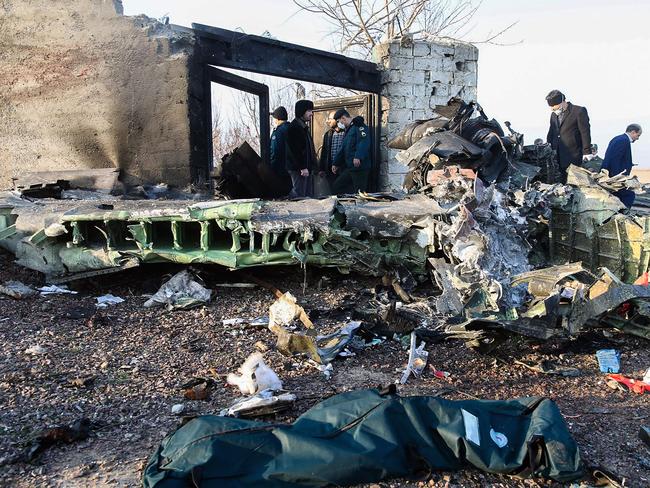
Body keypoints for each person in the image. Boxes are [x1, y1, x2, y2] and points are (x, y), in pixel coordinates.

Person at [545, 90, 592, 182]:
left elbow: (585, 132)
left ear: (562, 102)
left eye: (555, 107)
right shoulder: (553, 115)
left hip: (574, 155)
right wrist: (548, 147)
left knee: (574, 182)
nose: (552, 110)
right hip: (557, 156)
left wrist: (587, 152)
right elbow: (551, 132)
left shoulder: (578, 111)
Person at [331, 109, 372, 194]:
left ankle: (360, 206)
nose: (339, 124)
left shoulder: (358, 125)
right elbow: (343, 148)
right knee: (337, 186)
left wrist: (358, 156)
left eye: (339, 121)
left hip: (360, 167)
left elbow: (363, 141)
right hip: (351, 167)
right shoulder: (348, 130)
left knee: (360, 193)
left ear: (343, 118)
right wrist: (336, 163)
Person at [602, 124, 643, 207]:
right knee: (629, 195)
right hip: (614, 177)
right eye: (638, 135)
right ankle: (623, 215)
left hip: (611, 176)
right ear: (633, 132)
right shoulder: (623, 141)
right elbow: (614, 160)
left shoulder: (618, 138)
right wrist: (618, 179)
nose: (638, 138)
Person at [286, 99, 317, 198]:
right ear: (301, 111)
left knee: (307, 196)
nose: (311, 114)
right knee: (299, 196)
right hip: (299, 170)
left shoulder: (303, 127)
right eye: (309, 111)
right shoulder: (294, 128)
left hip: (304, 169)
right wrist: (302, 167)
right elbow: (295, 151)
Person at [315, 111, 345, 195]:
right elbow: (324, 152)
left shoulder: (346, 132)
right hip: (330, 169)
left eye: (330, 119)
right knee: (332, 192)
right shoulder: (328, 134)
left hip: (343, 168)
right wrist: (321, 169)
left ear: (337, 120)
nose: (328, 121)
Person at [269, 106, 291, 195]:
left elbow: (275, 151)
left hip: (281, 171)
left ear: (277, 119)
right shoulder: (292, 128)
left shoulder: (278, 132)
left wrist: (271, 168)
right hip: (293, 170)